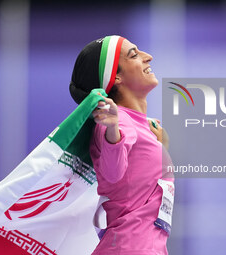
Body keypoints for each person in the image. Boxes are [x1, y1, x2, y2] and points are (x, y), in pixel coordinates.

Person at [69, 35, 174, 255]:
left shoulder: (141, 126)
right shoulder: (117, 121)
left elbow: (139, 189)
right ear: (115, 77)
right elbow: (112, 173)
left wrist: (161, 146)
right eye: (134, 55)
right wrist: (112, 131)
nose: (148, 57)